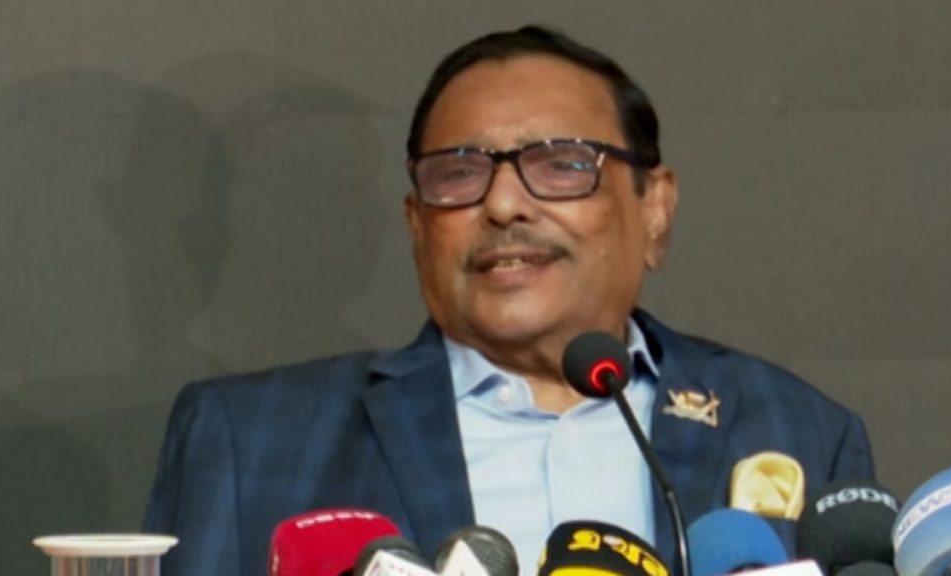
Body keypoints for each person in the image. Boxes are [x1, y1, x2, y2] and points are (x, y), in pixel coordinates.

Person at [143, 25, 874, 575]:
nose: (501, 205)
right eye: (458, 174)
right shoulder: (251, 441)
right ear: (417, 226)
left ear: (655, 209)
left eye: (560, 165)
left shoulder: (797, 431)